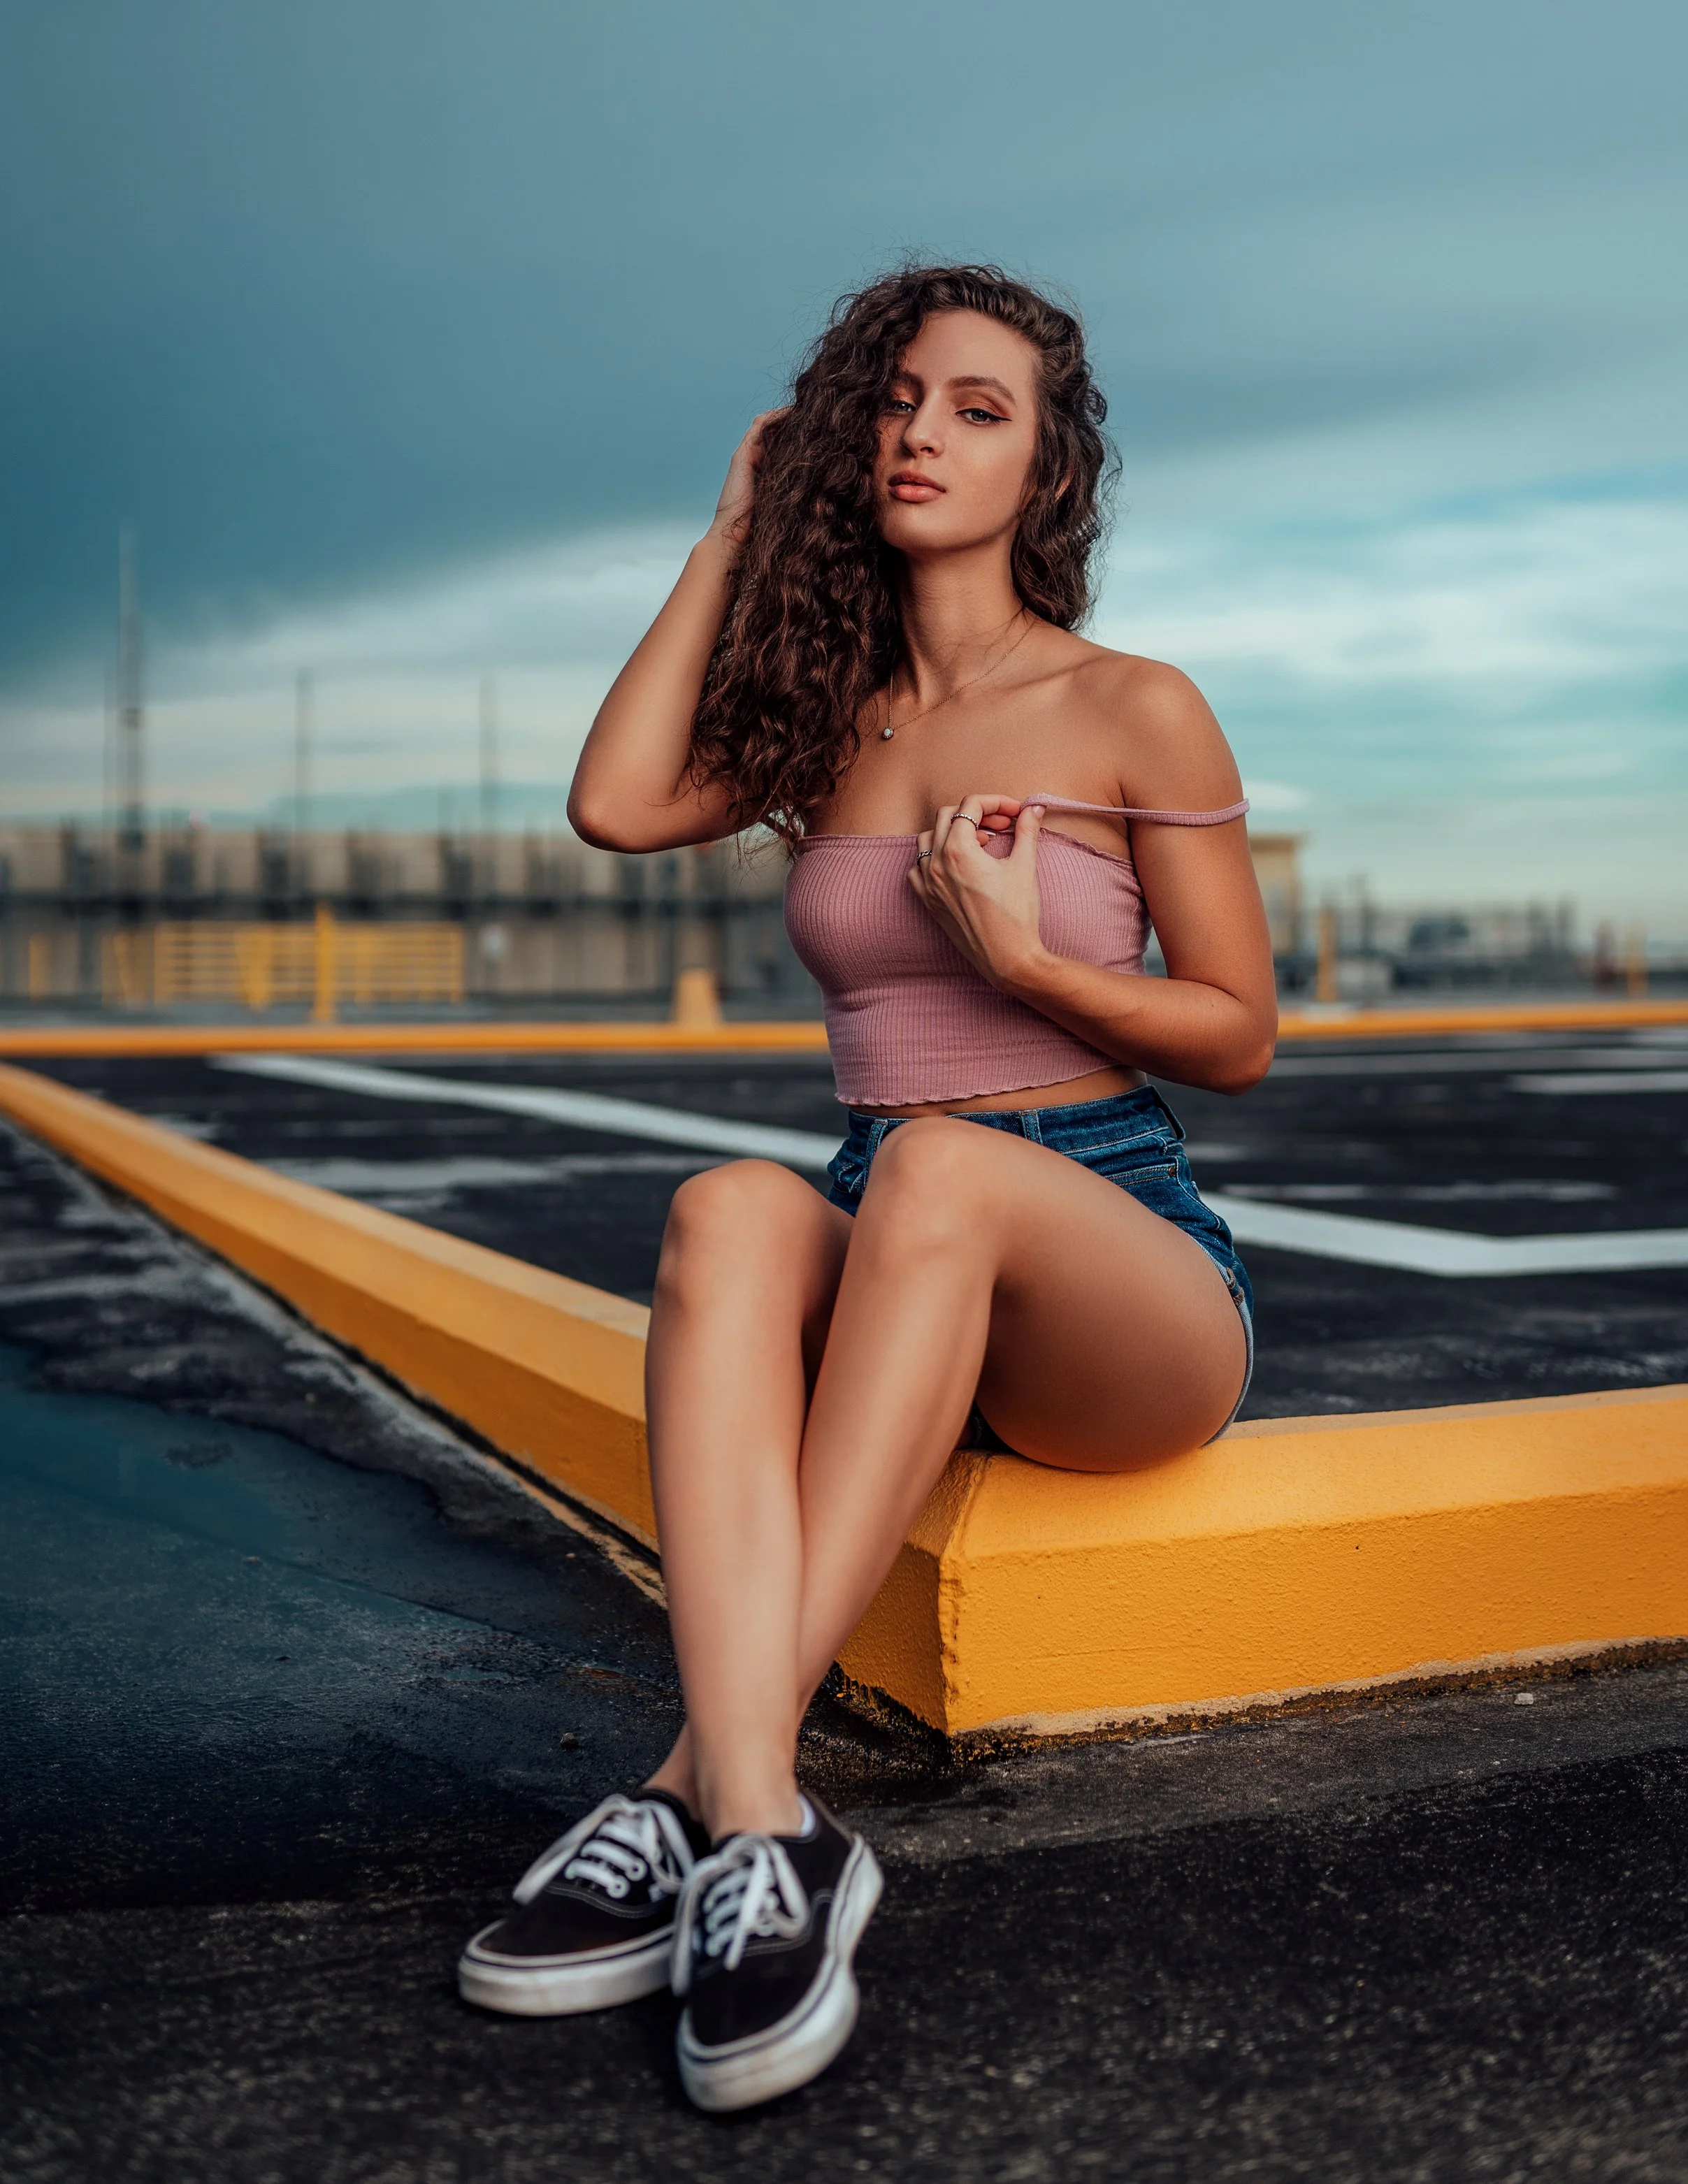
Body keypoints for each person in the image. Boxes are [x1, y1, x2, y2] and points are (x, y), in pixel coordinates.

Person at [456, 264, 1276, 2111]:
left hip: (1113, 1255)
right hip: (899, 1220)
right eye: (897, 399)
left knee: (933, 1170)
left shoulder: (1132, 704)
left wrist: (1035, 958)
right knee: (731, 1209)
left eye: (977, 408)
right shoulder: (829, 711)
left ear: (1046, 469)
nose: (920, 432)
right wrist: (731, 531)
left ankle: (681, 1791)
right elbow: (613, 799)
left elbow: (1235, 1033)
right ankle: (764, 1823)